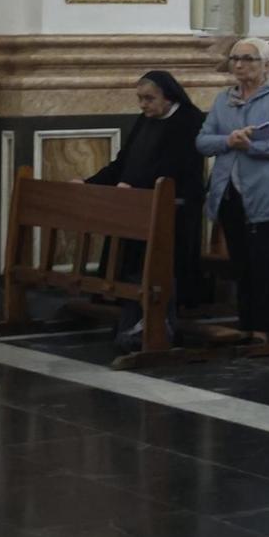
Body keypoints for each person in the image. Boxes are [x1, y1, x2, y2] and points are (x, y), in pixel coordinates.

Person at [86, 71, 210, 346]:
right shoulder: (145, 120)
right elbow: (123, 162)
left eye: (149, 99)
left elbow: (177, 168)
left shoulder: (189, 120)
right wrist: (89, 183)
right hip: (136, 206)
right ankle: (132, 321)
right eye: (140, 99)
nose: (143, 105)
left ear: (169, 97)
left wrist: (134, 185)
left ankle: (158, 323)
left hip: (173, 211)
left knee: (159, 267)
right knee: (131, 265)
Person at [196, 38, 269, 342]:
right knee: (241, 262)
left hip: (268, 193)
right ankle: (246, 322)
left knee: (264, 263)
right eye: (234, 59)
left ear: (266, 65)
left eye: (247, 59)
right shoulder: (224, 100)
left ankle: (263, 327)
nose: (239, 65)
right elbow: (203, 141)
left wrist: (252, 147)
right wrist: (228, 142)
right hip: (230, 191)